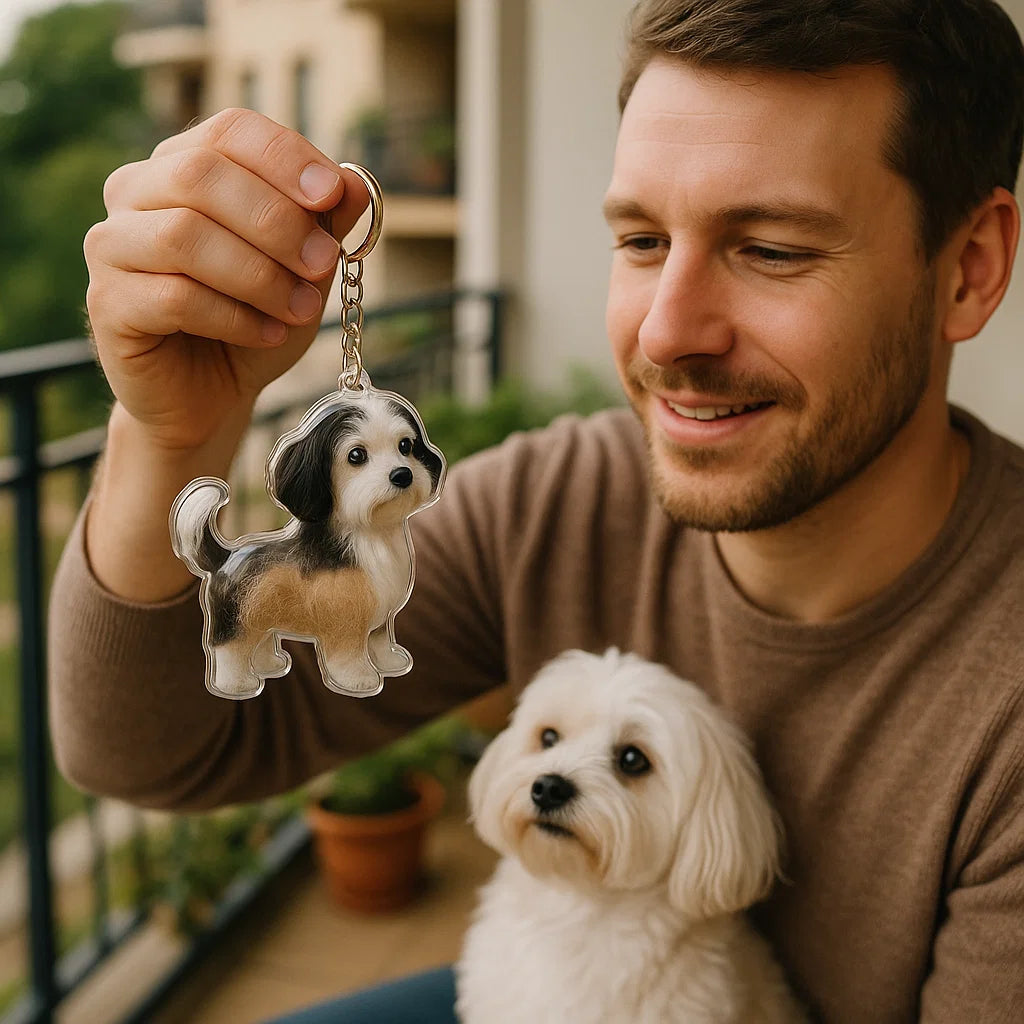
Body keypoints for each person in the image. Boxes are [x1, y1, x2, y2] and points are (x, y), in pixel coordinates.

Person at [48, 0, 1024, 1020]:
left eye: (773, 249)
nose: (666, 330)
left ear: (968, 268)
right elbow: (150, 746)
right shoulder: (563, 502)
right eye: (641, 239)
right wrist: (171, 437)